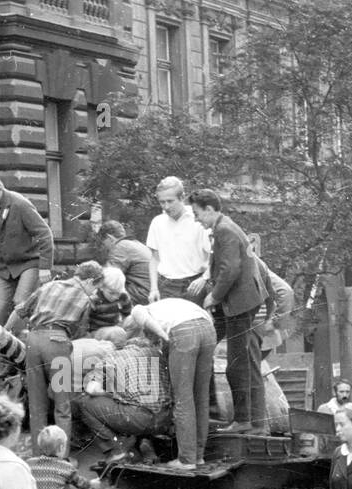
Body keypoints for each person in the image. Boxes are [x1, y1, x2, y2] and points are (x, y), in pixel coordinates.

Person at [192, 189, 268, 435]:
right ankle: (245, 419)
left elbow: (230, 269)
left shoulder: (225, 230)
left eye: (197, 213)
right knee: (225, 350)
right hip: (237, 301)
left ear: (209, 209)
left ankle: (244, 420)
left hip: (240, 304)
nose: (196, 219)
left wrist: (213, 297)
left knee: (236, 363)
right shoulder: (224, 227)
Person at [8, 261, 104, 444]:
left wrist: (4, 330)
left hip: (33, 341)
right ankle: (61, 457)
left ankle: (39, 456)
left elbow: (19, 311)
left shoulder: (48, 286)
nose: (95, 292)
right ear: (90, 281)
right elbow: (80, 334)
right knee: (62, 406)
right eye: (96, 287)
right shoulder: (85, 298)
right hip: (58, 344)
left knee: (37, 406)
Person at [126, 300, 216, 470]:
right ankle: (198, 456)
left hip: (183, 333)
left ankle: (186, 460)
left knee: (183, 398)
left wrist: (166, 338)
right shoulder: (168, 306)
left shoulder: (139, 310)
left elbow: (157, 330)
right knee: (201, 398)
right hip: (208, 330)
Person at [0, 171, 54, 326]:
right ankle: (4, 347)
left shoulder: (20, 204)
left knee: (21, 304)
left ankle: (27, 340)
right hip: (5, 267)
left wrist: (45, 267)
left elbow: (45, 234)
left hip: (28, 263)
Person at [77, 333, 173, 458]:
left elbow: (91, 389)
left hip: (136, 419)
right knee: (143, 400)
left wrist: (113, 395)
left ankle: (117, 450)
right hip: (165, 419)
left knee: (84, 403)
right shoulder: (158, 355)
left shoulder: (113, 357)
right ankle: (146, 444)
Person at [145, 176, 209, 305]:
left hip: (194, 286)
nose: (166, 206)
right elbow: (155, 259)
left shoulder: (199, 219)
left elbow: (212, 257)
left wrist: (204, 278)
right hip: (166, 286)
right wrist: (153, 289)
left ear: (182, 198)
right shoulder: (157, 222)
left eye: (170, 201)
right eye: (162, 202)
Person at [98, 220, 152, 306]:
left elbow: (109, 277)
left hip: (139, 295)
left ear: (109, 238)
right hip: (149, 293)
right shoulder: (136, 244)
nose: (105, 248)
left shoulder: (121, 247)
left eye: (103, 244)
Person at [88, 265, 133, 336]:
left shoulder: (123, 296)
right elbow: (85, 321)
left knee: (135, 319)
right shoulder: (94, 298)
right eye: (111, 293)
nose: (115, 297)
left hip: (116, 326)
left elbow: (128, 314)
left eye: (118, 293)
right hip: (98, 331)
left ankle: (128, 341)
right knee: (116, 332)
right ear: (101, 287)